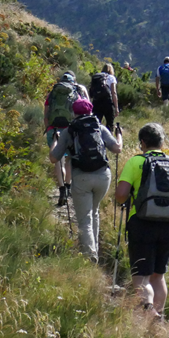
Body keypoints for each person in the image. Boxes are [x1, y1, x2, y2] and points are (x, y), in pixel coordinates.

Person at [115, 123, 169, 317]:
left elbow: (121, 195)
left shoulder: (135, 162)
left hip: (142, 223)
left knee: (142, 277)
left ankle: (149, 313)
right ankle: (158, 321)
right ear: (162, 142)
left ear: (142, 142)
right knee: (158, 276)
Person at [49, 99, 123, 262]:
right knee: (94, 212)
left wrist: (55, 140)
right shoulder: (99, 127)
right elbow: (117, 148)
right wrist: (119, 134)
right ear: (91, 111)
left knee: (84, 219)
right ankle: (94, 247)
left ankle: (90, 256)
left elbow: (54, 158)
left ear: (74, 113)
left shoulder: (70, 131)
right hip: (103, 176)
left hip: (82, 177)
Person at [44, 71, 89, 206]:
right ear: (73, 81)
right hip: (70, 129)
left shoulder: (52, 93)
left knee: (58, 159)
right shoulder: (78, 91)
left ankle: (61, 188)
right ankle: (68, 186)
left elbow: (46, 114)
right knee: (69, 158)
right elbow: (86, 109)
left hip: (54, 129)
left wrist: (48, 129)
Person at [89, 63, 119, 130]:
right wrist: (116, 107)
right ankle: (108, 139)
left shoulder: (97, 77)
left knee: (96, 124)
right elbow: (113, 92)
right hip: (108, 102)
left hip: (96, 102)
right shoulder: (111, 78)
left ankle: (96, 138)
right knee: (110, 125)